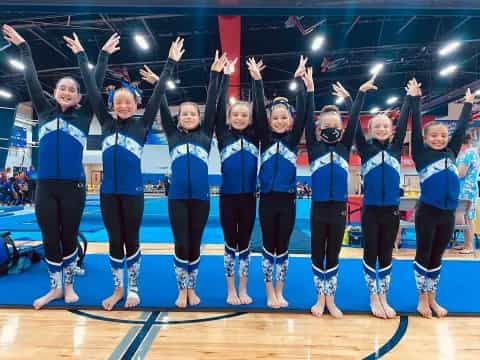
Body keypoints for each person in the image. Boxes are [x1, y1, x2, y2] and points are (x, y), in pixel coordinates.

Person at [2, 25, 116, 309]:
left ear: (79, 97)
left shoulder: (84, 114)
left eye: (73, 90)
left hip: (73, 188)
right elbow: (30, 78)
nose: (67, 92)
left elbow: (95, 82)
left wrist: (96, 57)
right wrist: (25, 48)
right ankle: (54, 288)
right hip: (46, 187)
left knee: (67, 237)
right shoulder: (44, 110)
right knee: (50, 237)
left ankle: (68, 285)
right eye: (62, 88)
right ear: (54, 93)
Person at [65, 33, 178, 310]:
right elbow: (92, 89)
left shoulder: (142, 124)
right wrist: (92, 55)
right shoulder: (104, 123)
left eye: (128, 102)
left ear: (137, 104)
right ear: (113, 105)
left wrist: (170, 64)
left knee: (131, 240)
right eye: (118, 102)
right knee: (115, 241)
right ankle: (118, 289)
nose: (123, 106)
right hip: (108, 194)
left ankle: (134, 288)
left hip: (132, 193)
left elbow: (160, 91)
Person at [141, 45, 226, 307]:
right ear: (178, 119)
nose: (189, 116)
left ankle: (192, 288)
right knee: (181, 242)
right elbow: (162, 106)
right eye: (185, 113)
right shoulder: (173, 135)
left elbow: (212, 103)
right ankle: (181, 289)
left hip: (201, 198)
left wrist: (215, 75)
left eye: (193, 113)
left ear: (199, 118)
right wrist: (160, 84)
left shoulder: (205, 136)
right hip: (177, 198)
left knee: (195, 243)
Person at [307, 75, 376, 318]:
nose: (330, 128)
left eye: (335, 124)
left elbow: (355, 118)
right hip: (318, 209)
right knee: (317, 252)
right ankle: (319, 298)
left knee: (333, 252)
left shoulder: (346, 146)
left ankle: (331, 299)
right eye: (325, 125)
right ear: (318, 128)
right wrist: (310, 91)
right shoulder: (314, 148)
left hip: (338, 209)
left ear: (341, 127)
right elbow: (306, 118)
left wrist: (357, 95)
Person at [410, 79, 473, 318]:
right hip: (427, 212)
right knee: (424, 254)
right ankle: (422, 299)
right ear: (426, 139)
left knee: (437, 256)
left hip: (447, 214)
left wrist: (467, 105)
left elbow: (460, 128)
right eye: (433, 135)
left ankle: (434, 298)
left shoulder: (451, 152)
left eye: (442, 135)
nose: (439, 138)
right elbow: (415, 127)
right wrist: (414, 100)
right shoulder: (421, 154)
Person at [249, 56, 308, 308]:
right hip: (267, 200)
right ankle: (268, 290)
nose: (280, 121)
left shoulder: (293, 139)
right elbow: (258, 113)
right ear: (270, 121)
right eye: (276, 118)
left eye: (285, 118)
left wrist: (300, 82)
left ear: (291, 121)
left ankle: (279, 290)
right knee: (267, 246)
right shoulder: (264, 136)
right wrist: (257, 81)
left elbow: (304, 112)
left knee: (283, 247)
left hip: (287, 201)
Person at [356, 79, 414, 319]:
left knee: (386, 254)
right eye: (376, 126)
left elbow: (403, 123)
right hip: (370, 210)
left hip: (390, 211)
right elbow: (354, 129)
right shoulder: (365, 149)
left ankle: (384, 296)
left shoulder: (395, 147)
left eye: (385, 126)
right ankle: (373, 296)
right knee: (370, 253)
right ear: (370, 130)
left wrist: (411, 98)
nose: (381, 129)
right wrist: (359, 95)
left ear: (391, 130)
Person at [215, 57, 259, 305]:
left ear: (250, 119)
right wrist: (224, 77)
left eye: (245, 115)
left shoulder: (255, 136)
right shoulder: (222, 135)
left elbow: (261, 110)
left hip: (249, 198)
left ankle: (243, 288)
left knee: (245, 245)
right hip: (228, 199)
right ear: (230, 117)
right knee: (230, 244)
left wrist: (256, 80)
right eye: (236, 114)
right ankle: (231, 289)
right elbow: (220, 105)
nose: (240, 118)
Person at [455, 133, 480, 254]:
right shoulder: (470, 152)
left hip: (467, 190)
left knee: (469, 217)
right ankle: (466, 243)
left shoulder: (468, 153)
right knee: (466, 217)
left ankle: (469, 245)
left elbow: (461, 173)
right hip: (465, 189)